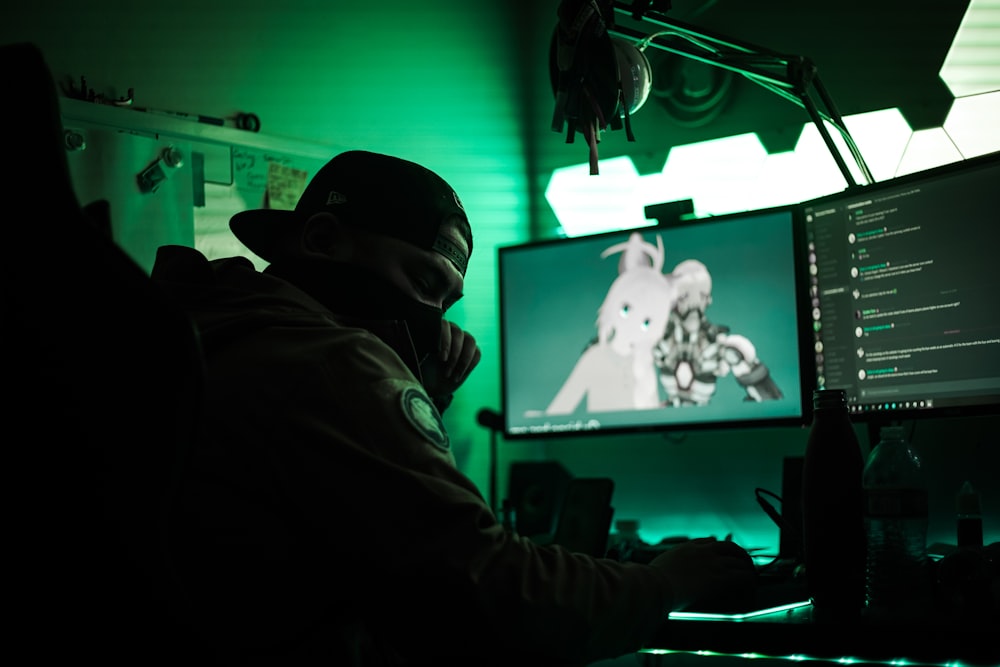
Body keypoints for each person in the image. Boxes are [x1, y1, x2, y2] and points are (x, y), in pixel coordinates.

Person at [151, 150, 757, 666]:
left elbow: (376, 539)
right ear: (321, 241)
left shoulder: (211, 325)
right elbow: (486, 589)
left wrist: (425, 398)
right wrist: (665, 583)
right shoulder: (334, 361)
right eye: (421, 282)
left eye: (446, 299)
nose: (433, 323)